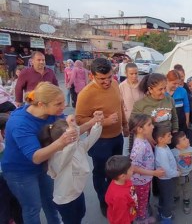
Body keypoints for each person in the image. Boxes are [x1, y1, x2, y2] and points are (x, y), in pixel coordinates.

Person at [0, 82, 81, 224]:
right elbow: (36, 157)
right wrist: (60, 142)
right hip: (19, 172)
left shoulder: (49, 113)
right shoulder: (20, 123)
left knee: (50, 202)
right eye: (58, 104)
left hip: (43, 167)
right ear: (42, 104)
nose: (63, 107)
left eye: (63, 102)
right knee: (32, 208)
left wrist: (73, 121)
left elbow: (65, 122)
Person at [75, 57, 129, 216]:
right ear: (92, 76)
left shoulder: (114, 84)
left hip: (117, 137)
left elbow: (120, 106)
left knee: (117, 171)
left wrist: (124, 124)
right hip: (99, 141)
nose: (106, 82)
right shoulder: (86, 94)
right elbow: (79, 119)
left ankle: (116, 198)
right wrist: (104, 121)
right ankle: (104, 201)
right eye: (101, 79)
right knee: (101, 173)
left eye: (109, 77)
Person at [39, 113, 103, 224]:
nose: (77, 133)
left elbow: (91, 139)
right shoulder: (57, 157)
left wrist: (98, 123)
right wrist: (71, 126)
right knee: (72, 220)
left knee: (80, 214)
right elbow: (69, 150)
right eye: (73, 133)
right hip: (65, 199)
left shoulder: (78, 147)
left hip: (77, 193)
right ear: (63, 140)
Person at [129, 114, 165, 224]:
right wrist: (154, 173)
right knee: (141, 202)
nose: (153, 127)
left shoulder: (143, 139)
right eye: (149, 125)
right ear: (140, 129)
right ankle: (142, 219)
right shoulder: (140, 147)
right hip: (140, 182)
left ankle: (143, 215)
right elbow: (134, 168)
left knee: (143, 200)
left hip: (144, 180)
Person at [131, 73, 179, 147]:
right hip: (148, 144)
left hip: (167, 142)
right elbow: (134, 126)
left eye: (165, 88)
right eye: (160, 89)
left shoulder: (170, 100)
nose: (163, 92)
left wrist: (175, 132)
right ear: (150, 89)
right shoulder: (140, 105)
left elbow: (174, 118)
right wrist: (147, 137)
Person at [171, 131, 192, 214]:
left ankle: (186, 201)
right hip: (177, 176)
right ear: (178, 146)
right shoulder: (173, 152)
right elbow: (171, 162)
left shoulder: (191, 149)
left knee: (186, 189)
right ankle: (175, 197)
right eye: (184, 139)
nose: (187, 139)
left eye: (186, 138)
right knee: (176, 188)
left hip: (188, 174)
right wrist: (175, 168)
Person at [153, 127, 180, 224]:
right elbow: (167, 170)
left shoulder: (163, 146)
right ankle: (166, 217)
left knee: (164, 196)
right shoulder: (162, 152)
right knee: (168, 199)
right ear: (160, 139)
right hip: (166, 179)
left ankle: (161, 211)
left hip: (165, 179)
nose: (171, 136)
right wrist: (177, 173)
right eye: (168, 135)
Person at [0, 113, 23, 224]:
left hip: (11, 179)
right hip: (3, 182)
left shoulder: (8, 144)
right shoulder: (3, 146)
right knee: (4, 211)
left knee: (17, 206)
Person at [119, 63, 144, 155]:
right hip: (127, 121)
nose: (134, 76)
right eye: (131, 73)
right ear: (126, 73)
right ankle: (127, 166)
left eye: (136, 73)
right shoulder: (121, 86)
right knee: (127, 146)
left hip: (141, 120)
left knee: (140, 144)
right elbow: (120, 105)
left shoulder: (142, 85)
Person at [105, 155, 138, 224]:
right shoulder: (120, 197)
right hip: (126, 219)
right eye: (131, 170)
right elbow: (121, 218)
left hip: (130, 210)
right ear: (122, 176)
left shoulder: (121, 180)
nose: (133, 170)